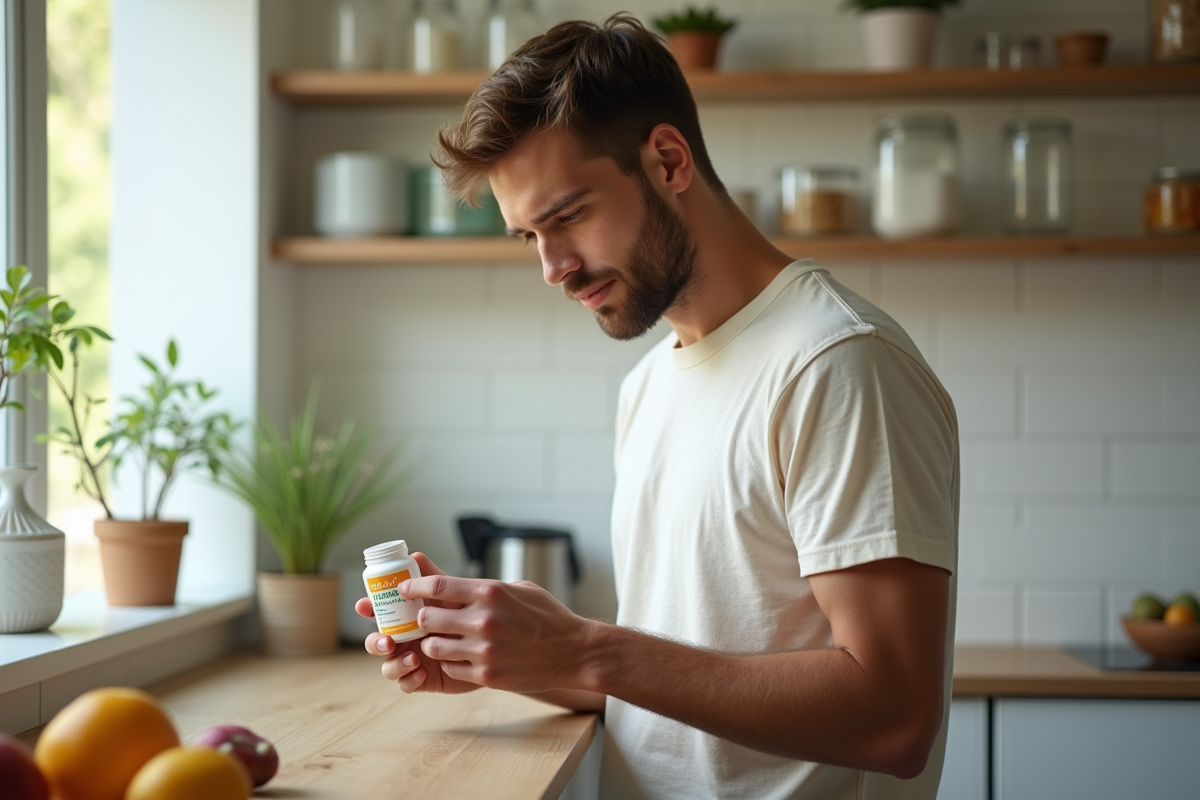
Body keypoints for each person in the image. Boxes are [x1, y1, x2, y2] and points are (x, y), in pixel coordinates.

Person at [355, 13, 959, 800]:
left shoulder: (837, 364)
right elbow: (684, 688)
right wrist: (518, 656)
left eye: (568, 215)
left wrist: (586, 649)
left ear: (668, 160)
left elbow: (893, 718)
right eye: (527, 236)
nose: (553, 268)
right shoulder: (651, 383)